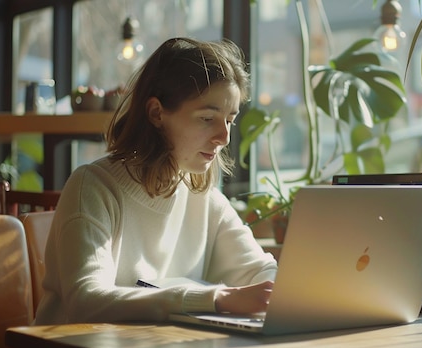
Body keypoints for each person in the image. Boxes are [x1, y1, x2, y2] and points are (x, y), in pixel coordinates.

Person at [34, 37, 277, 324]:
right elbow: (87, 299)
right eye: (207, 118)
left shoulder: (206, 200)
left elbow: (260, 271)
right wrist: (214, 300)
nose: (224, 138)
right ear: (156, 113)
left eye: (229, 120)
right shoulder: (93, 187)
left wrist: (280, 291)